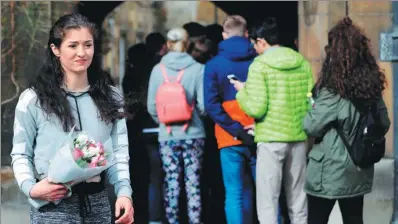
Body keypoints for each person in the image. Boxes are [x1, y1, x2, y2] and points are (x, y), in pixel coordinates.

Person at [10, 13, 134, 224]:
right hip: (52, 204)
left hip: (98, 202)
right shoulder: (33, 99)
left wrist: (124, 192)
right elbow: (21, 153)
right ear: (55, 49)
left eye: (88, 45)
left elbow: (118, 152)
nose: (82, 53)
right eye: (73, 45)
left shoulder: (111, 97)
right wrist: (30, 188)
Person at [303, 17, 391, 224]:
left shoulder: (332, 90)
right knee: (354, 219)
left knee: (317, 219)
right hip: (358, 168)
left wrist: (311, 107)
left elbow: (310, 126)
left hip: (329, 172)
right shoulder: (371, 87)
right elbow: (384, 123)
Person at [231, 17, 313, 224]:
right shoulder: (302, 62)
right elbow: (310, 103)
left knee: (268, 200)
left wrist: (242, 92)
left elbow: (257, 108)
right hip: (299, 136)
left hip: (271, 139)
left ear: (262, 42)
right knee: (298, 199)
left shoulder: (260, 65)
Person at [147, 27, 206, 224]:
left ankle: (172, 220)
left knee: (171, 182)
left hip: (167, 135)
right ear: (187, 43)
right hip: (194, 133)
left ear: (168, 44)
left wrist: (165, 121)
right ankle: (195, 220)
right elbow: (204, 106)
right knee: (193, 184)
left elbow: (151, 106)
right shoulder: (198, 69)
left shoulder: (157, 70)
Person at [204, 15, 257, 224]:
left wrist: (235, 129)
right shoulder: (258, 61)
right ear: (246, 34)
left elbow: (211, 105)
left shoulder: (214, 64)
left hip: (228, 136)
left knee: (234, 192)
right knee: (262, 192)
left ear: (224, 35)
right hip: (258, 130)